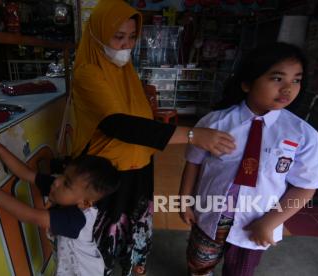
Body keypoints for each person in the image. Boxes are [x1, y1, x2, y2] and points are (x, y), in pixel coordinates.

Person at [70, 0, 236, 275]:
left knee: (134, 223)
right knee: (105, 233)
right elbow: (119, 124)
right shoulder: (89, 72)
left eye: (132, 36)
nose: (126, 44)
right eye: (118, 36)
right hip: (105, 172)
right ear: (97, 33)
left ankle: (132, 261)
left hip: (138, 166)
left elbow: (140, 117)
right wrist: (193, 134)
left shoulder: (124, 71)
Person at [178, 42, 318, 276]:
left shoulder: (303, 135)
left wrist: (270, 222)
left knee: (241, 271)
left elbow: (305, 187)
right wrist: (185, 200)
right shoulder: (214, 122)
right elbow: (194, 162)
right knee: (199, 262)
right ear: (247, 83)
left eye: (296, 80)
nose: (288, 89)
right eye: (277, 78)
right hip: (210, 213)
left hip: (257, 221)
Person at [0, 130, 120, 276]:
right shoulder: (63, 190)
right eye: (63, 174)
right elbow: (26, 173)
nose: (57, 182)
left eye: (67, 183)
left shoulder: (75, 219)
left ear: (84, 203)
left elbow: (29, 216)